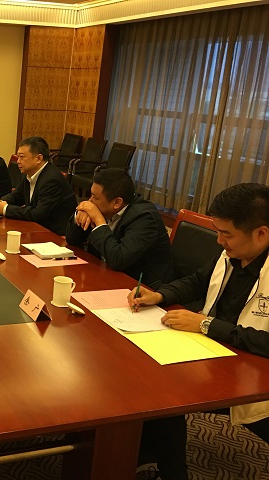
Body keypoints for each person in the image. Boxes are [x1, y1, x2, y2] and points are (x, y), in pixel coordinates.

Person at [127, 183, 269, 480]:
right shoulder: (231, 253)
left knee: (166, 392)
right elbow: (197, 281)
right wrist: (159, 295)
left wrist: (205, 324)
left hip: (257, 374)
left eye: (226, 234)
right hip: (217, 354)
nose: (219, 241)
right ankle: (160, 464)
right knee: (152, 381)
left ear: (261, 233)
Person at [65, 168, 173, 289]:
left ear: (117, 202)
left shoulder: (145, 218)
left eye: (95, 197)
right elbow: (72, 239)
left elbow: (119, 259)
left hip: (141, 288)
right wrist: (80, 214)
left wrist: (99, 221)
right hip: (105, 275)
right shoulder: (104, 208)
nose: (90, 202)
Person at [0, 136, 76, 235]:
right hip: (37, 227)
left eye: (22, 157)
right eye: (18, 157)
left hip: (55, 234)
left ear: (38, 158)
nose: (18, 161)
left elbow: (38, 213)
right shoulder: (28, 173)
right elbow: (17, 195)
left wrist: (5, 209)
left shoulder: (52, 180)